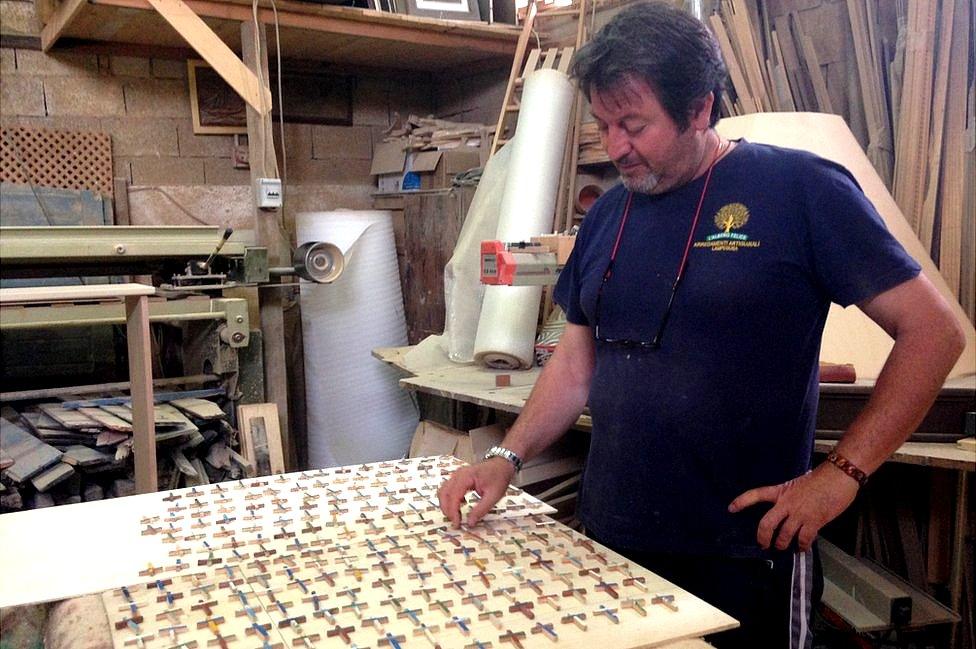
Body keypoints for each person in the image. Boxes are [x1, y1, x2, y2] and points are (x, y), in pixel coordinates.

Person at [438, 2, 966, 647]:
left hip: (744, 552)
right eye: (604, 124)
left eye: (634, 124)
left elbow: (935, 333)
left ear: (699, 109)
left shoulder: (801, 190)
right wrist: (506, 456)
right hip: (613, 542)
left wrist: (841, 476)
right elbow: (576, 366)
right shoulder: (609, 214)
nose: (616, 148)